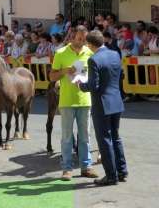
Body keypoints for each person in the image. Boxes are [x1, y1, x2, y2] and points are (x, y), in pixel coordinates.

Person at [78, 30, 128, 186]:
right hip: (116, 101)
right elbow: (119, 76)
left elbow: (94, 86)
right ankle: (122, 171)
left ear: (90, 44)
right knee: (116, 137)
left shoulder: (94, 59)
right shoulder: (115, 54)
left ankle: (111, 176)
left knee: (104, 140)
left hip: (102, 104)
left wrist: (81, 84)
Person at [49, 25, 98, 181]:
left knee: (85, 137)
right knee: (67, 137)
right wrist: (64, 71)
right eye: (79, 38)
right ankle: (67, 169)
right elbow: (51, 76)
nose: (82, 41)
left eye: (84, 39)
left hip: (85, 100)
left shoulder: (90, 53)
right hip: (67, 101)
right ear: (72, 37)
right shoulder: (61, 53)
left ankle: (86, 167)